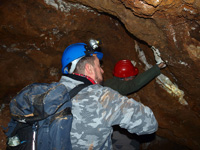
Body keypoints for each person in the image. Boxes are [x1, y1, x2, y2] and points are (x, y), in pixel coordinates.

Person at [60, 42, 158, 149]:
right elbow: (150, 124)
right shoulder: (102, 97)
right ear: (89, 69)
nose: (102, 70)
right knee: (130, 142)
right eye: (98, 65)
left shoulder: (48, 93)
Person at [103, 59, 166, 149]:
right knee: (132, 144)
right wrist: (156, 68)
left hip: (105, 122)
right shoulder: (121, 87)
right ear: (126, 78)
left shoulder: (108, 83)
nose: (134, 77)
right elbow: (135, 84)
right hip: (106, 125)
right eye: (132, 76)